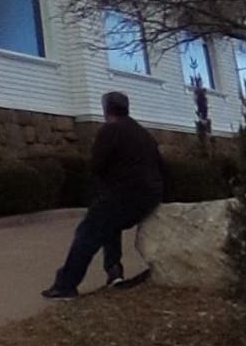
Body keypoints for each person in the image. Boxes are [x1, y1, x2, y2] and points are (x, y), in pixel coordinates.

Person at [42, 91, 165, 299]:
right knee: (110, 225)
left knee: (87, 233)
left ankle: (66, 285)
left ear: (106, 109)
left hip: (123, 194)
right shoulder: (144, 134)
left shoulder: (110, 130)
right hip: (149, 196)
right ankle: (114, 272)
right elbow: (161, 167)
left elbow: (97, 165)